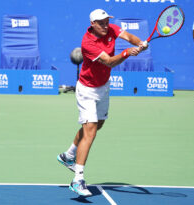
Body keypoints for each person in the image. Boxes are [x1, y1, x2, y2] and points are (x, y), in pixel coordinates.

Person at [57, 9, 148, 197]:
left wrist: (140, 43)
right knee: (90, 132)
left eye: (107, 21)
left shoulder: (111, 29)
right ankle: (77, 180)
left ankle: (69, 155)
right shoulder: (88, 43)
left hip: (103, 87)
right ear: (93, 24)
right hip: (87, 90)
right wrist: (127, 53)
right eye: (101, 22)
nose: (106, 25)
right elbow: (109, 62)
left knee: (97, 125)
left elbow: (128, 36)